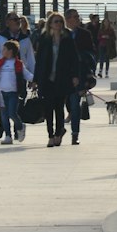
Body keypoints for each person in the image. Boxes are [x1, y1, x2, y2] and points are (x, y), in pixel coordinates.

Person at [33, 12, 81, 147]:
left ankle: (59, 133)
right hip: (47, 78)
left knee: (59, 108)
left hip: (62, 78)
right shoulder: (44, 38)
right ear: (50, 24)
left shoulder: (67, 38)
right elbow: (39, 60)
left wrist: (75, 76)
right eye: (56, 21)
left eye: (60, 21)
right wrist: (35, 78)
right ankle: (50, 135)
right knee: (48, 108)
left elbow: (74, 58)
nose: (58, 24)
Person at [64, 9, 96, 143]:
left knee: (75, 104)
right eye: (75, 17)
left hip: (79, 75)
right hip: (62, 75)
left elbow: (92, 54)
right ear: (68, 19)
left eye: (78, 17)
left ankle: (75, 133)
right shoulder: (62, 34)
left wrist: (89, 73)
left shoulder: (85, 34)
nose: (78, 19)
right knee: (63, 105)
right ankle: (59, 130)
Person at [0, 40, 32, 144]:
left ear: (10, 51)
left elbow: (27, 75)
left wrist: (37, 80)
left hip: (13, 93)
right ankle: (8, 136)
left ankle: (20, 126)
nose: (2, 51)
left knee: (12, 113)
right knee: (3, 115)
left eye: (4, 49)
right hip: (1, 93)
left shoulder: (18, 64)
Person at [0, 11, 36, 76]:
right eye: (15, 19)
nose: (18, 22)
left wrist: (33, 76)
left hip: (21, 76)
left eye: (19, 19)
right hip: (3, 75)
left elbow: (30, 59)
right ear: (7, 23)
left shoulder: (25, 39)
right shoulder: (0, 38)